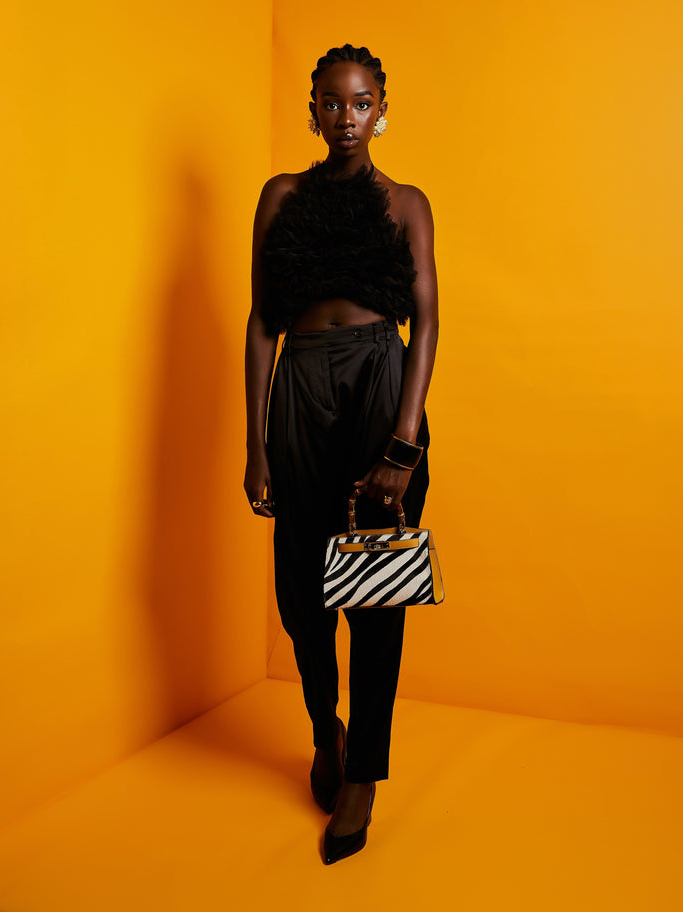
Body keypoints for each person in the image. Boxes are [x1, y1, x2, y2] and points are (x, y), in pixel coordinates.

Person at [244, 43, 438, 864]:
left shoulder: (404, 203)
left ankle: (362, 776)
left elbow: (426, 321)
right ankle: (327, 728)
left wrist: (402, 441)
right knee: (301, 590)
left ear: (381, 106)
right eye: (332, 102)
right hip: (301, 386)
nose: (347, 117)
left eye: (362, 103)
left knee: (376, 593)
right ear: (313, 109)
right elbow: (261, 322)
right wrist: (255, 444)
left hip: (378, 382)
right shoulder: (281, 196)